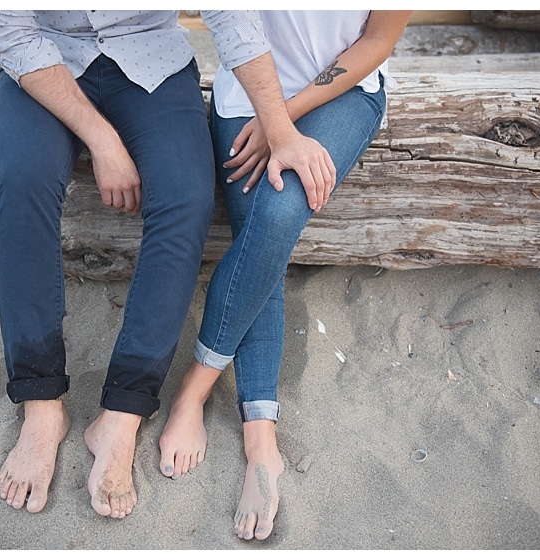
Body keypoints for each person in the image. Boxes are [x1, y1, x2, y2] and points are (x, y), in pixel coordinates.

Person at [0, 10, 336, 519]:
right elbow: (14, 34)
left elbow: (232, 17)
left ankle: (121, 415)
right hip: (46, 57)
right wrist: (103, 142)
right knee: (23, 180)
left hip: (151, 57)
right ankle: (41, 407)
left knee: (188, 198)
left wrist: (281, 130)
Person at [157, 10, 412, 540]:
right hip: (245, 94)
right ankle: (260, 435)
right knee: (261, 235)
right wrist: (272, 119)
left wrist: (286, 119)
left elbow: (378, 40)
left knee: (276, 214)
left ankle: (195, 388)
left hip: (343, 94)